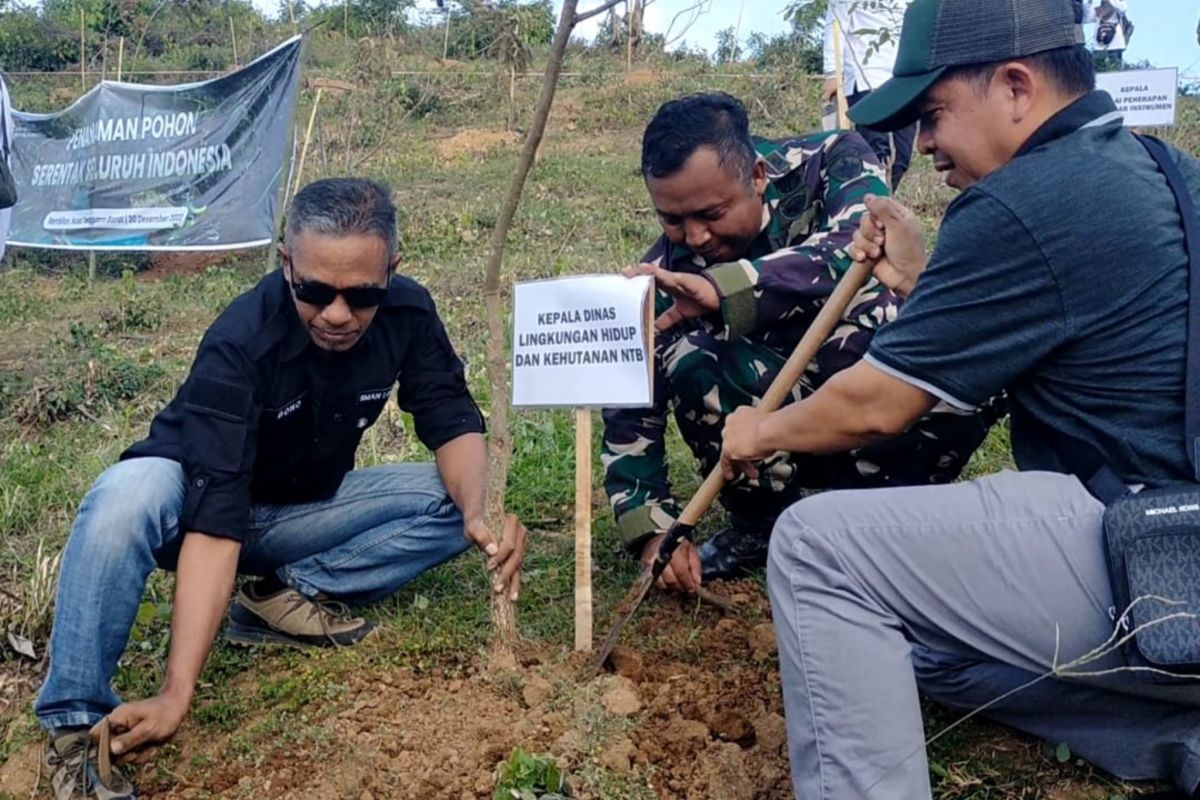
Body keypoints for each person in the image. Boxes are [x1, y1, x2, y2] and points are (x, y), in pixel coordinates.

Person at [720, 0, 1200, 797]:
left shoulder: (1025, 201)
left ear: (1015, 86)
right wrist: (916, 279)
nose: (928, 144)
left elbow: (875, 406)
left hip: (1147, 547)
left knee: (818, 550)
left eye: (935, 113)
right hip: (1175, 551)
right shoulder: (1163, 170)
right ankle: (1178, 729)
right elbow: (1040, 325)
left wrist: (760, 429)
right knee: (928, 653)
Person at [35, 178, 529, 800]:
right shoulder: (241, 341)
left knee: (457, 496)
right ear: (286, 263)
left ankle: (280, 594)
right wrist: (176, 691)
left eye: (362, 295)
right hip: (191, 507)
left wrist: (483, 515)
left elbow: (451, 417)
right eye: (316, 292)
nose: (338, 314)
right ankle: (77, 722)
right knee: (124, 497)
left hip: (295, 510)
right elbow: (217, 523)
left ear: (392, 271)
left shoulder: (409, 313)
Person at [601, 92, 1000, 592]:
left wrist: (726, 289)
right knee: (690, 359)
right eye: (673, 219)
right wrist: (651, 533)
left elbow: (851, 246)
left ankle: (889, 515)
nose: (696, 237)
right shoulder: (665, 273)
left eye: (712, 213)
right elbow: (629, 407)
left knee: (916, 343)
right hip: (763, 421)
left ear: (758, 177)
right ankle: (763, 525)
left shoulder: (835, 160)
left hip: (869, 389)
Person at [822, 0, 917, 189]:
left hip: (904, 82)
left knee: (901, 156)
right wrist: (832, 72)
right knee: (876, 153)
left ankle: (881, 201)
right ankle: (867, 207)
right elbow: (835, 24)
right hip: (868, 79)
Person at [1084, 0, 1130, 70]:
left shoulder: (1117, 4)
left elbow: (1123, 8)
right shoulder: (1099, 8)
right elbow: (1086, 18)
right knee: (1097, 72)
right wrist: (1089, 2)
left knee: (1115, 72)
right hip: (1098, 47)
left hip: (1115, 45)